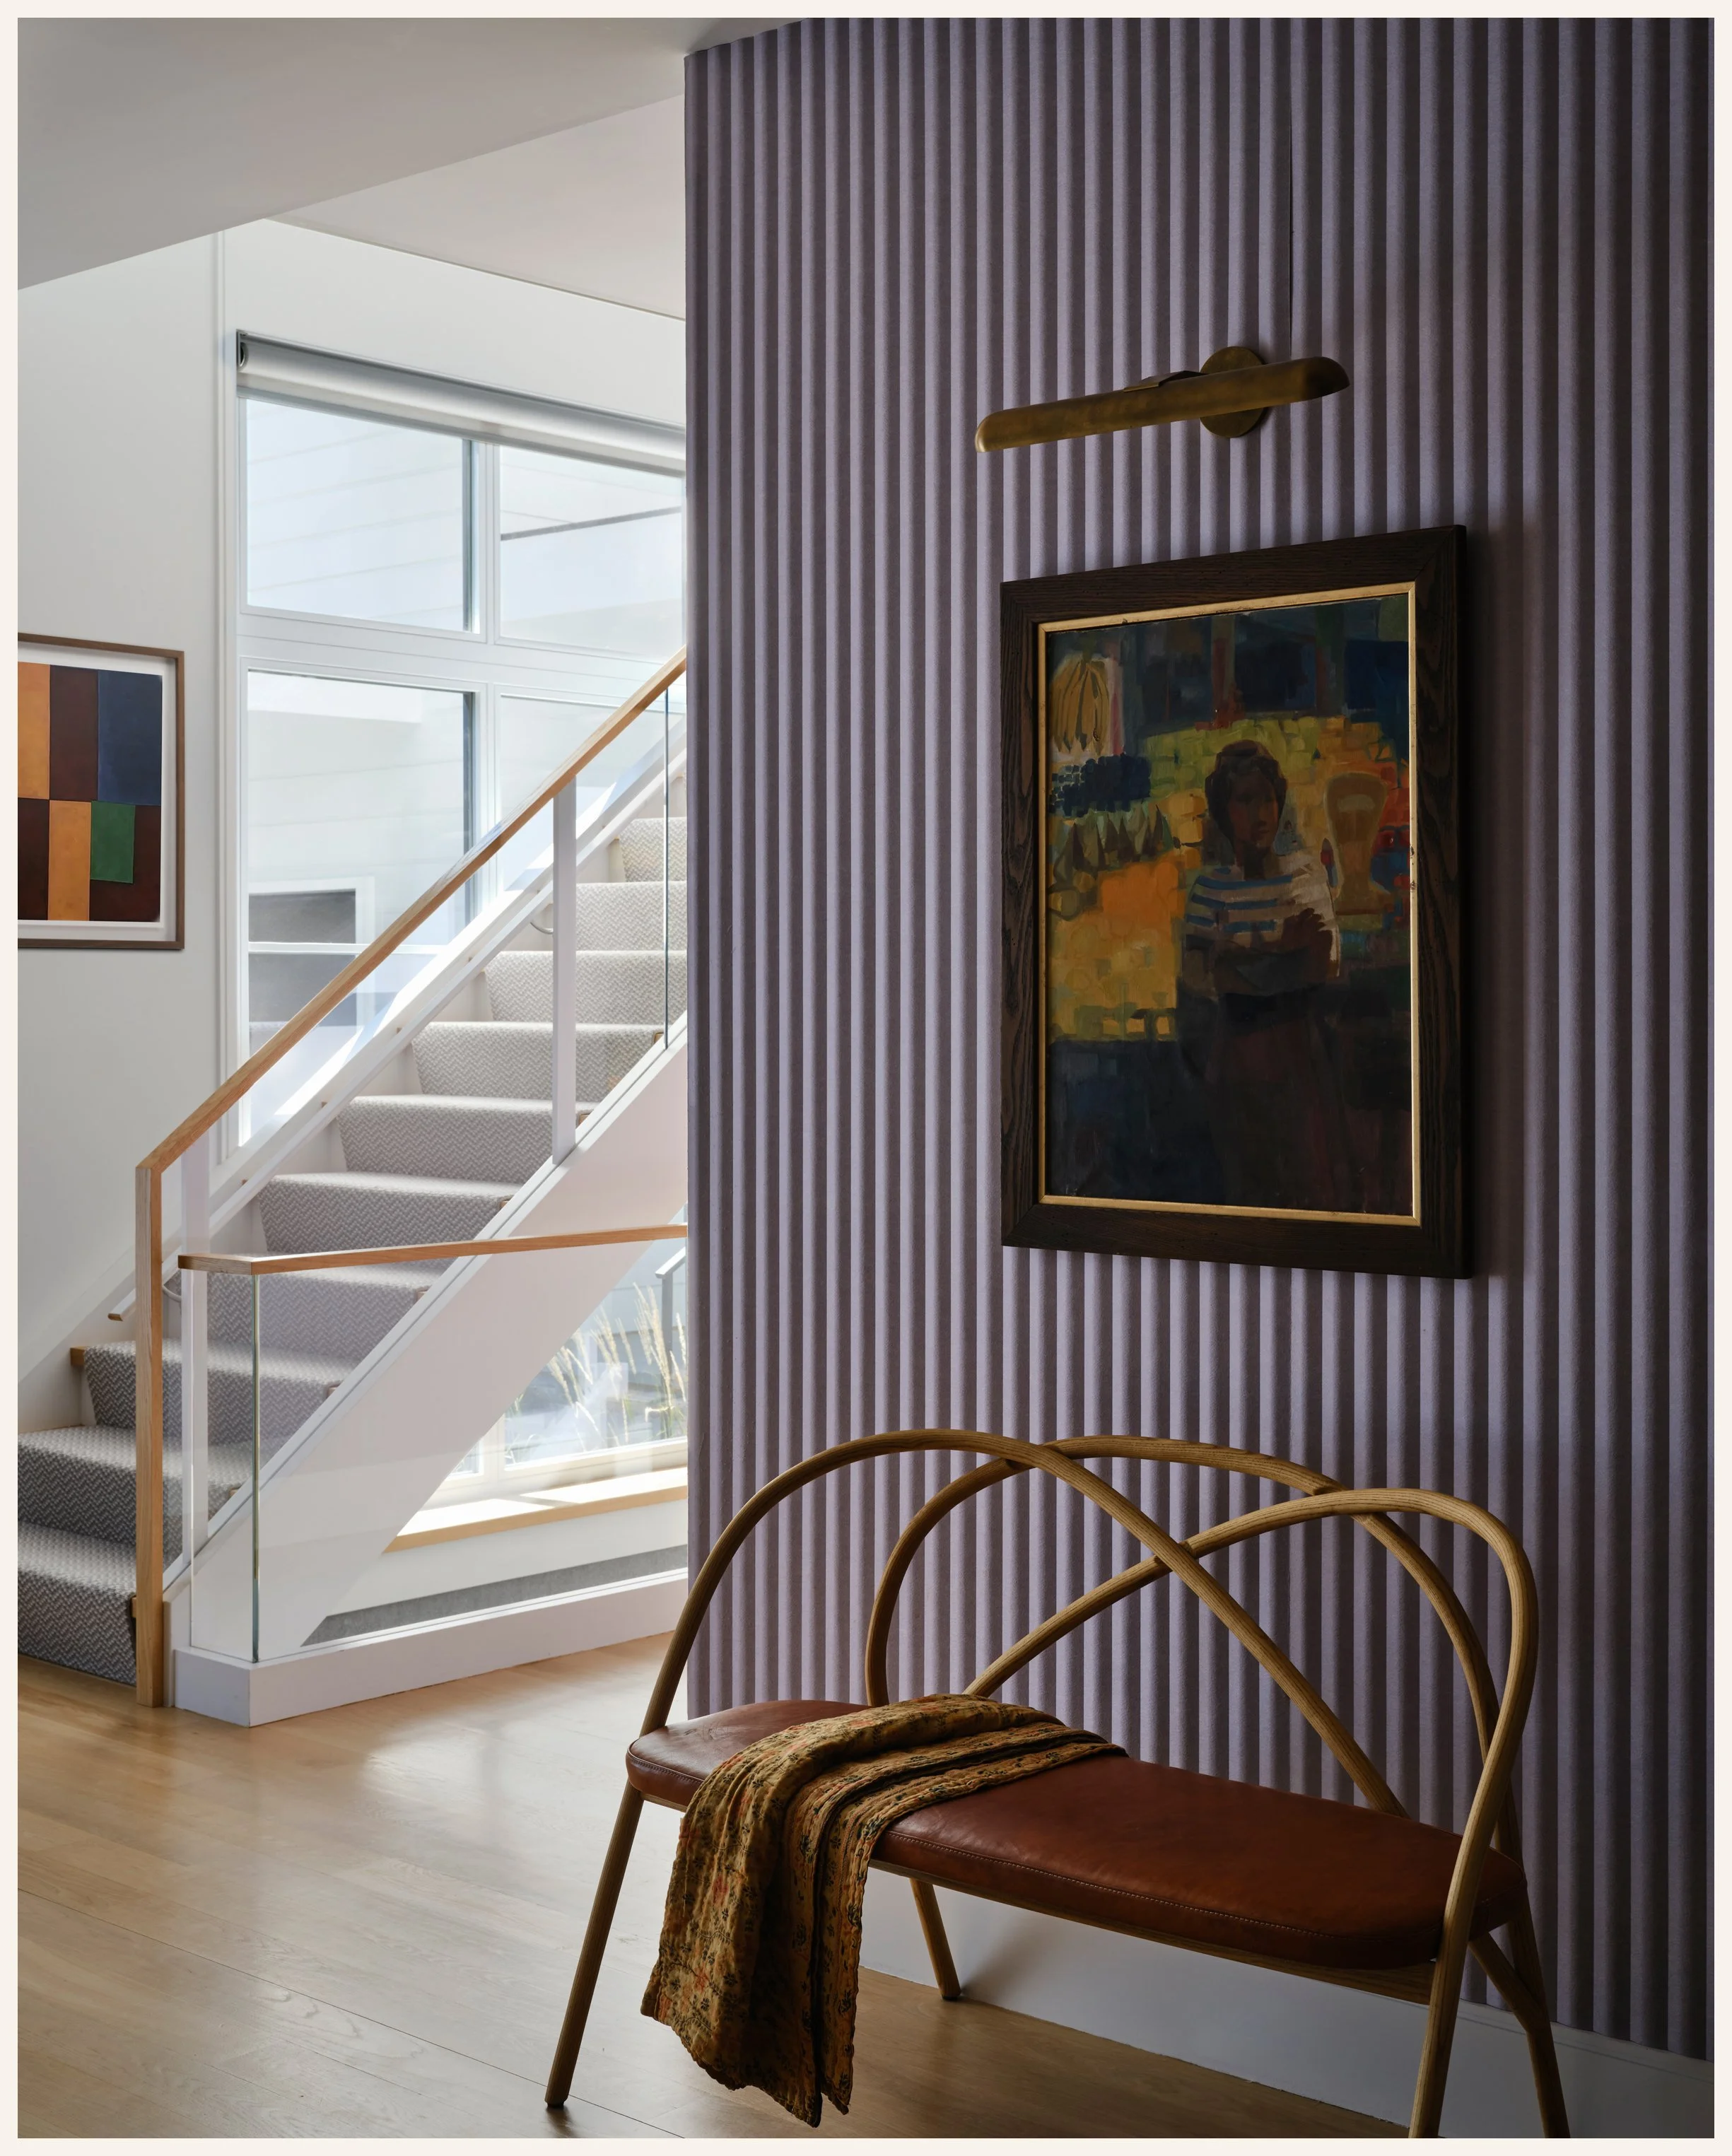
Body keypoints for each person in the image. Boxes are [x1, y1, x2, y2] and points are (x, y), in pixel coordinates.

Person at [1180, 739, 1356, 1212]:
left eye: (1267, 798)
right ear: (1223, 811)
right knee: (1247, 1190)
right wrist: (1285, 952)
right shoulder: (1210, 889)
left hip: (1299, 1059)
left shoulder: (1304, 877)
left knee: (1310, 1183)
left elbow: (1324, 964)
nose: (1259, 812)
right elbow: (1204, 980)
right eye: (1245, 800)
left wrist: (1237, 957)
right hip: (1236, 1061)